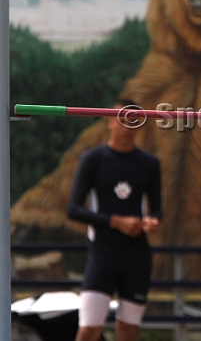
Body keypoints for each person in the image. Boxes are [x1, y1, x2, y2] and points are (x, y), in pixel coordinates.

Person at [66, 98, 162, 341]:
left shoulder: (149, 163)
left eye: (133, 121)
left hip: (137, 257)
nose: (127, 126)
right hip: (103, 255)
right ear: (110, 120)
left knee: (128, 331)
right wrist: (116, 222)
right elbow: (74, 209)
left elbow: (157, 209)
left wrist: (151, 220)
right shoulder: (93, 160)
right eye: (122, 120)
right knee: (89, 330)